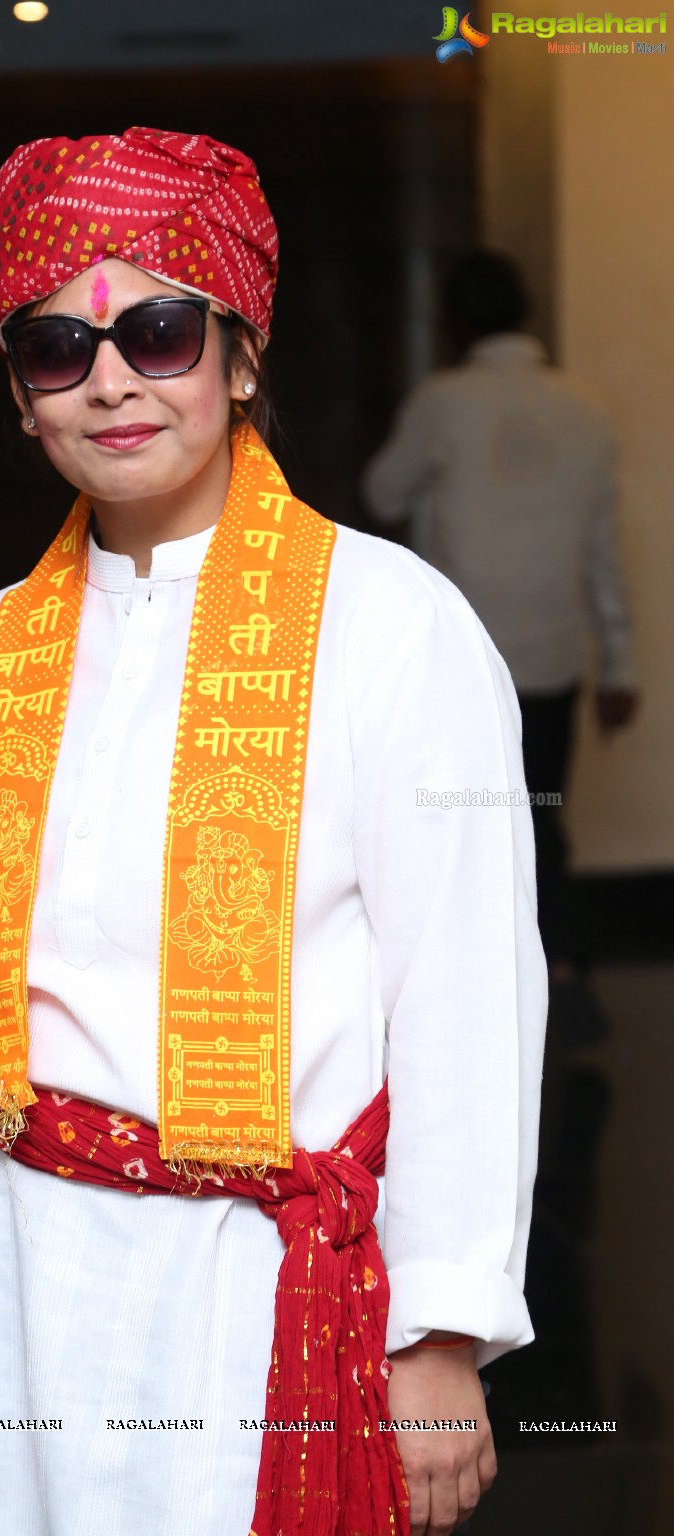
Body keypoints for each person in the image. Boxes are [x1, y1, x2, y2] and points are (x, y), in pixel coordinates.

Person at [0, 132, 547, 1536]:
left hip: (242, 1293)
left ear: (237, 357)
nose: (110, 379)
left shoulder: (391, 624)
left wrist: (442, 1333)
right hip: (12, 1278)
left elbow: (467, 994)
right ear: (24, 393)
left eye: (157, 330)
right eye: (58, 348)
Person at [362, 252, 638, 1025]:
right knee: (542, 809)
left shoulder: (443, 401)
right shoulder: (586, 407)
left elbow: (382, 488)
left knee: (459, 812)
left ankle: (464, 987)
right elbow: (603, 551)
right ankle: (565, 965)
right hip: (553, 649)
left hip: (464, 654)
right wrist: (619, 661)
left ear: (456, 321)